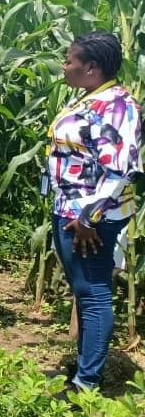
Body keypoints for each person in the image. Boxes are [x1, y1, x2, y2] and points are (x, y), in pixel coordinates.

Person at [45, 31, 140, 393]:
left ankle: (87, 381)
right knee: (83, 289)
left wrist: (89, 218)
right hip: (70, 210)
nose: (64, 66)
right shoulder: (90, 98)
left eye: (69, 60)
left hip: (90, 218)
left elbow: (119, 170)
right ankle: (82, 367)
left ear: (92, 67)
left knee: (93, 291)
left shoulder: (118, 106)